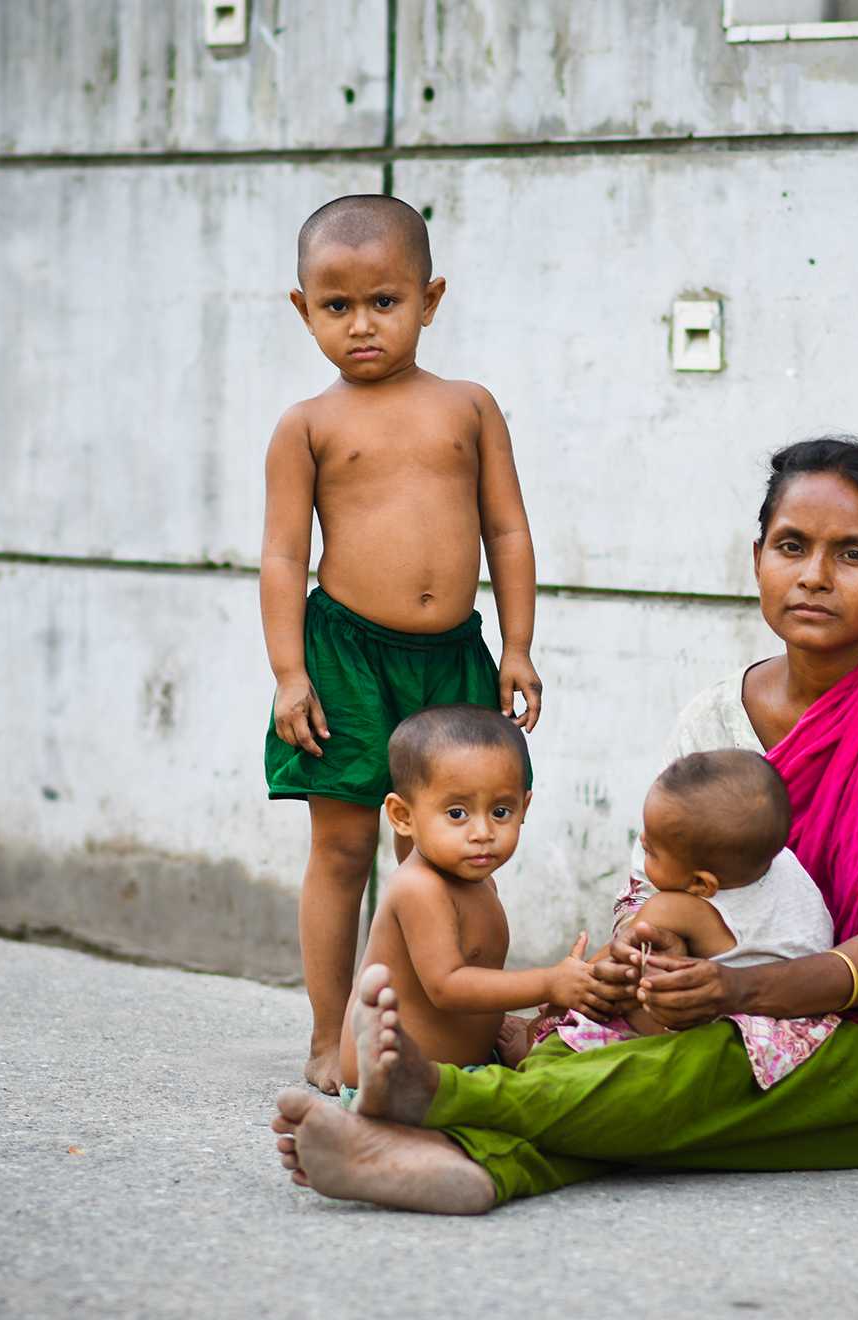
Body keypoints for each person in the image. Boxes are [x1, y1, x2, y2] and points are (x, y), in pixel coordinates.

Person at [271, 436, 858, 1214]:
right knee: (629, 1055)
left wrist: (740, 988)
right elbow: (647, 888)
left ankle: (438, 1100)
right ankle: (465, 1172)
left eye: (854, 555)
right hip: (731, 1011)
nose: (816, 577)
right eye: (791, 546)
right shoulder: (715, 717)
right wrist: (639, 967)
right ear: (757, 557)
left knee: (714, 1068)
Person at [261, 195, 543, 1095]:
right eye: (336, 307)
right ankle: (329, 1030)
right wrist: (289, 673)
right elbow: (280, 556)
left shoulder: (469, 407)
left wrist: (518, 646)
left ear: (431, 297)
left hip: (453, 655)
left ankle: (457, 1020)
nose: (362, 325)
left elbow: (507, 531)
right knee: (343, 851)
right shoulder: (307, 425)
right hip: (345, 657)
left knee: (451, 854)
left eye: (384, 300)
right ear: (303, 311)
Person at [335, 705, 608, 1094]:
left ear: (523, 808)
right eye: (457, 813)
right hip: (398, 1084)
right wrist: (549, 983)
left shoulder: (479, 882)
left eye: (500, 811)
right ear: (402, 815)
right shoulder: (419, 888)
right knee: (553, 1108)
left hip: (463, 1070)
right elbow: (448, 986)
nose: (482, 832)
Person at [547, 749, 842, 1089]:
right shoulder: (778, 862)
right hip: (805, 1019)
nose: (642, 842)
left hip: (734, 1029)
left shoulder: (674, 908)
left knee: (631, 989)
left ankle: (540, 1036)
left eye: (652, 850)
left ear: (702, 883)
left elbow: (607, 969)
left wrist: (556, 1001)